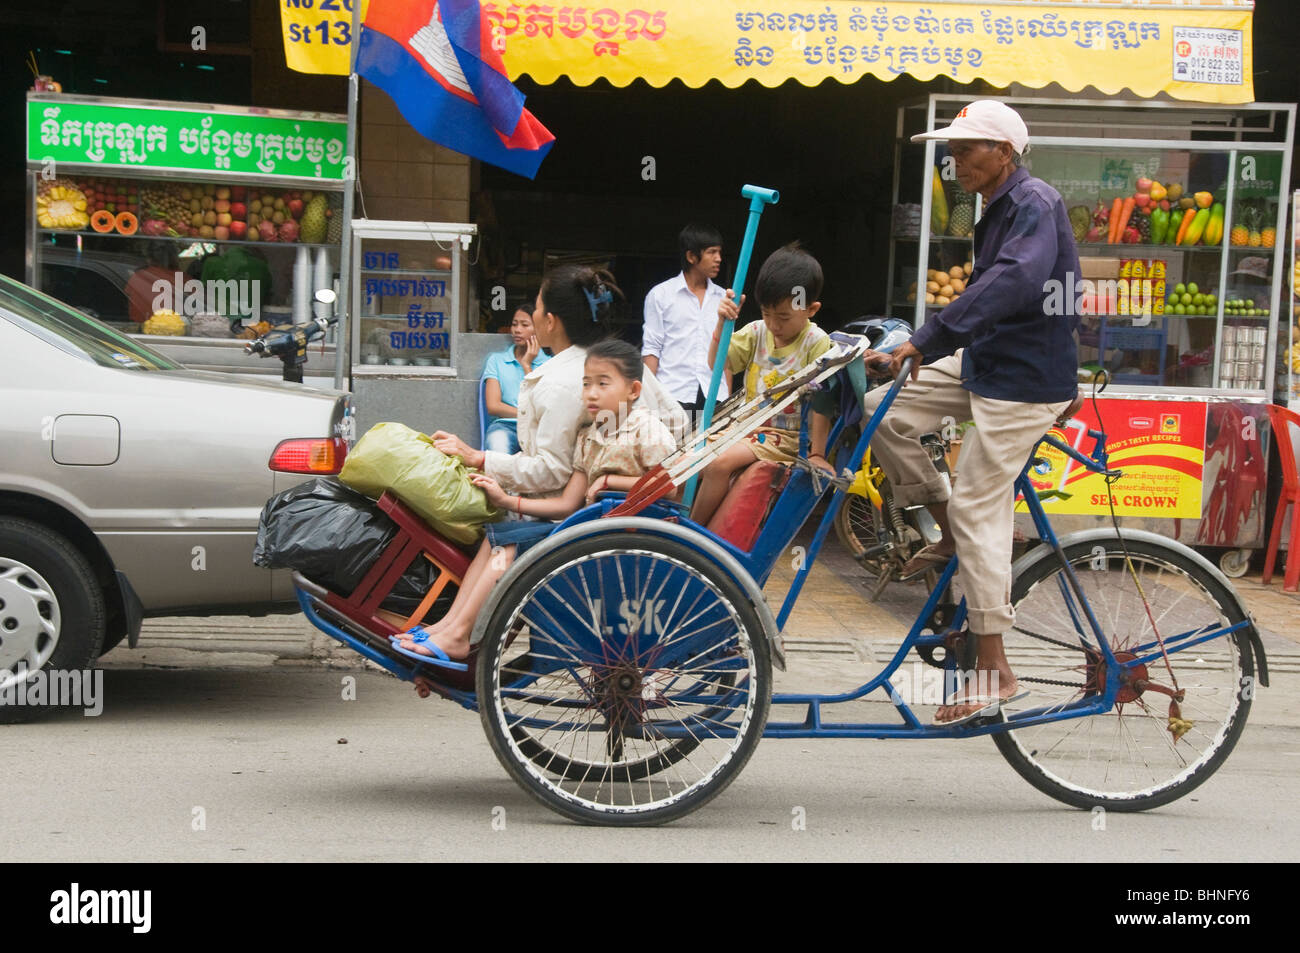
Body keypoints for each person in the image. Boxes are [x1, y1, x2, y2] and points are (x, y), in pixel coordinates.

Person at [862, 100, 1080, 726]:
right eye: (953, 151)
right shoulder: (995, 207)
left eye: (966, 150)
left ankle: (996, 669)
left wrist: (927, 340)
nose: (955, 161)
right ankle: (949, 528)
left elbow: (1012, 281)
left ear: (1004, 154)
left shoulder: (1034, 203)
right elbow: (992, 296)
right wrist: (905, 354)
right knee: (885, 409)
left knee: (981, 501)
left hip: (1026, 383)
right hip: (987, 363)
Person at [395, 340, 676, 663]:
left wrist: (613, 481)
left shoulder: (647, 429)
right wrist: (508, 500)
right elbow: (568, 504)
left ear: (633, 389)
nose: (591, 393)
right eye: (586, 384)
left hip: (629, 542)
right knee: (497, 537)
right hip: (587, 533)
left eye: (603, 383)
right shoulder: (590, 437)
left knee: (510, 549)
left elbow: (669, 488)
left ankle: (458, 636)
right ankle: (447, 627)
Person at [431, 266, 688, 499]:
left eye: (538, 307)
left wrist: (478, 457)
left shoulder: (559, 381)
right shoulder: (625, 361)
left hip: (580, 517)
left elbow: (551, 471)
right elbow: (678, 422)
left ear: (551, 321)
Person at [690, 243, 837, 527]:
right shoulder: (757, 330)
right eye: (767, 313)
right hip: (747, 427)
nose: (773, 324)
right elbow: (717, 363)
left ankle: (692, 531)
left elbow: (823, 402)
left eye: (783, 317)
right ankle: (675, 521)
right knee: (690, 459)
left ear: (811, 309)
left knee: (718, 463)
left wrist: (817, 453)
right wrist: (721, 324)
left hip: (784, 437)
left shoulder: (816, 342)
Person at [642, 223, 729, 416]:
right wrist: (648, 401)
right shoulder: (660, 295)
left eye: (719, 252)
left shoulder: (724, 299)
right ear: (691, 256)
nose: (719, 259)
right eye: (712, 252)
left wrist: (728, 397)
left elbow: (727, 352)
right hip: (672, 394)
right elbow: (651, 349)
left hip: (715, 396)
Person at [480, 301, 549, 455]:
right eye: (515, 324)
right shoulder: (496, 360)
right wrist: (527, 413)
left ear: (538, 329)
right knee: (498, 449)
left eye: (525, 325)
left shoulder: (549, 364)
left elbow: (542, 405)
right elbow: (494, 406)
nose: (517, 330)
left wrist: (527, 366)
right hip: (505, 426)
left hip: (538, 429)